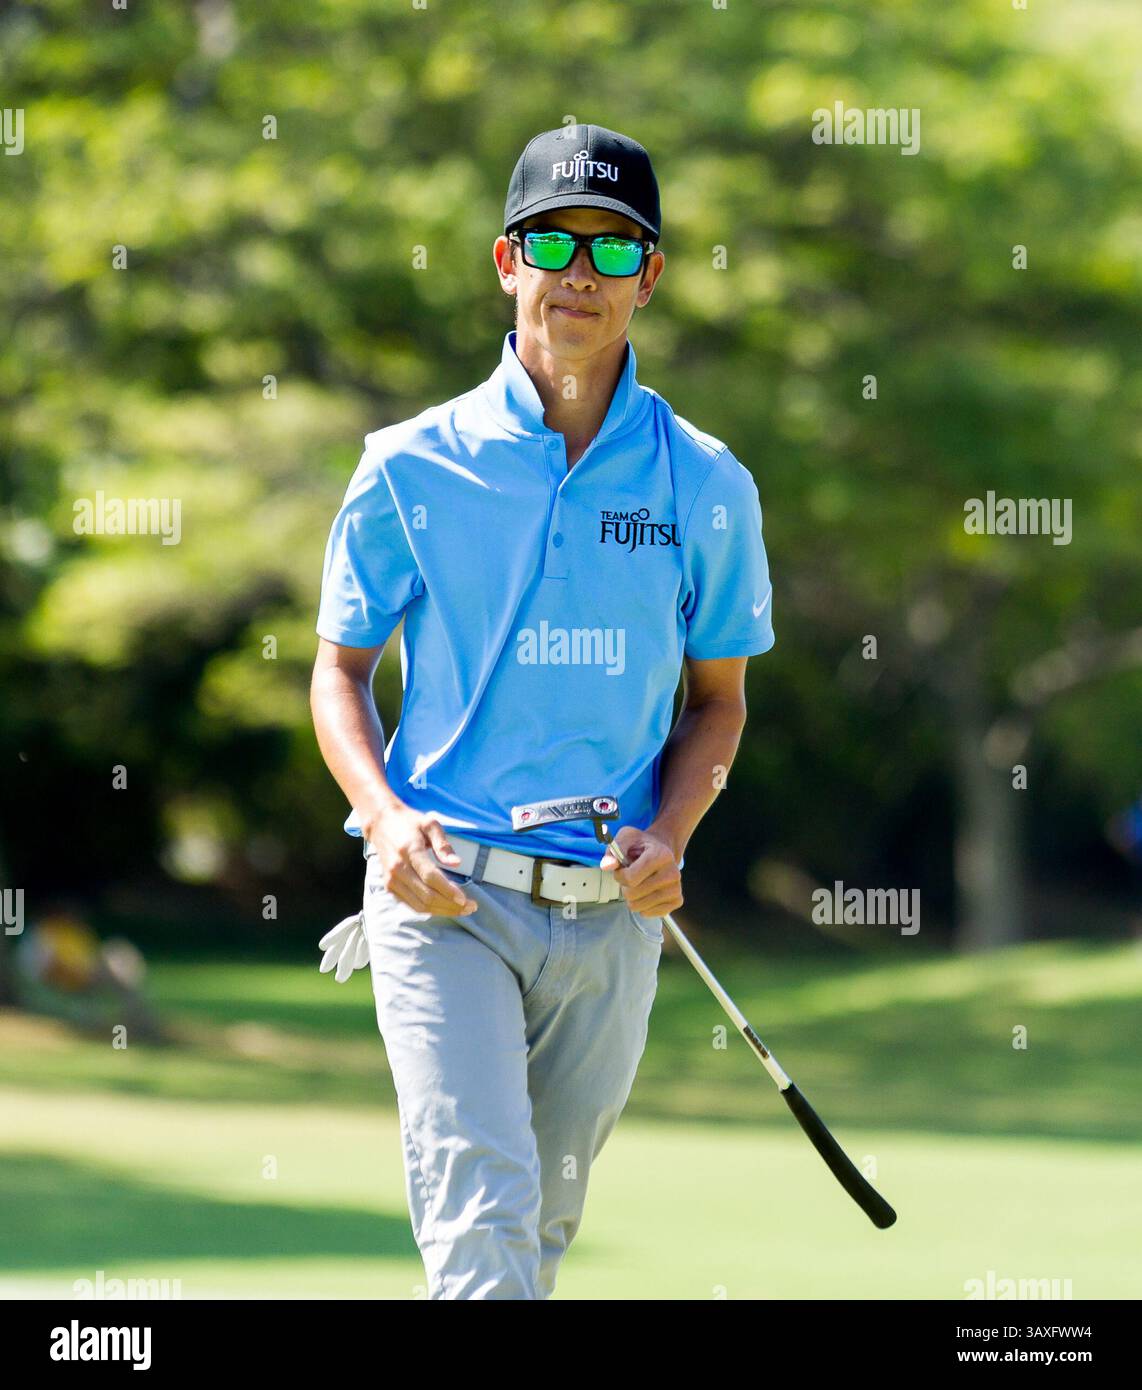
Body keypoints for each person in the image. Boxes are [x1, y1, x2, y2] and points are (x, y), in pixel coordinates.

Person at [310, 124, 776, 1299]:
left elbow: (714, 703)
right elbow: (337, 673)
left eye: (612, 249)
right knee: (482, 1223)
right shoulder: (409, 464)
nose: (580, 271)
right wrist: (383, 817)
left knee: (539, 1232)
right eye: (554, 241)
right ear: (505, 260)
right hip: (444, 891)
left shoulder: (705, 483)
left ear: (648, 278)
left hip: (612, 912)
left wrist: (673, 836)